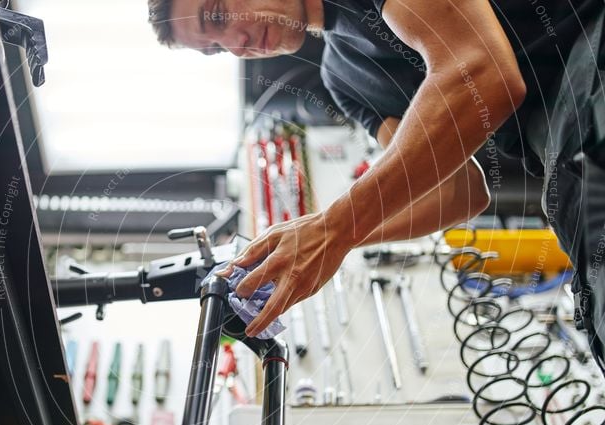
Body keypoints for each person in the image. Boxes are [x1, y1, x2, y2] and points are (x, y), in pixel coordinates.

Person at [147, 0, 605, 368]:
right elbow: (459, 192)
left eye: (218, 15)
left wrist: (333, 228)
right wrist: (332, 238)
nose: (237, 43)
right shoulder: (343, 75)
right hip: (567, 165)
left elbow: (483, 74)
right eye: (217, 47)